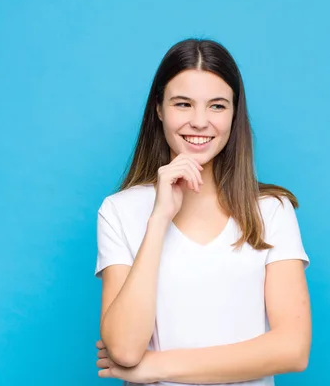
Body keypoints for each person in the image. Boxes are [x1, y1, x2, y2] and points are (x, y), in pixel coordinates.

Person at [95, 38, 311, 386]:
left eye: (217, 106)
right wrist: (158, 220)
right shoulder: (119, 211)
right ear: (159, 109)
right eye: (183, 104)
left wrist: (158, 367)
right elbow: (124, 349)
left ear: (234, 113)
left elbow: (293, 349)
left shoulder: (271, 212)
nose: (199, 122)